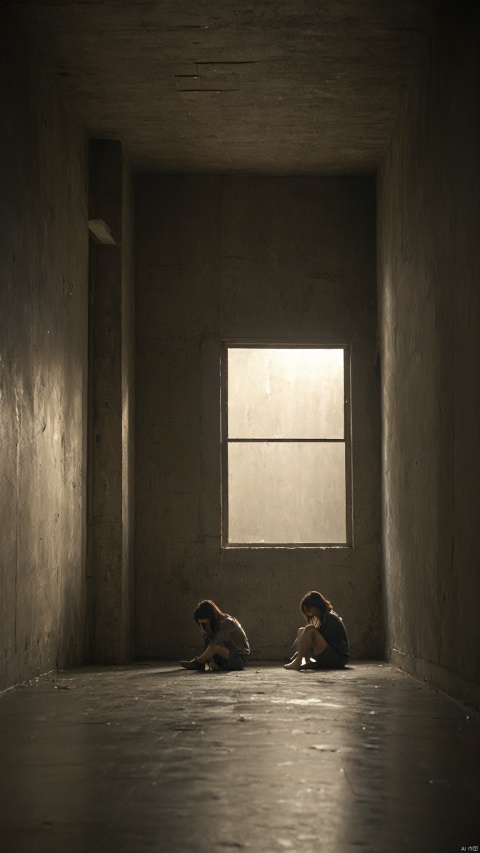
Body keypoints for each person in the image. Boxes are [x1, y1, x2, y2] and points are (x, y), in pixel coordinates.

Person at [284, 590, 349, 670]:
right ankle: (304, 660)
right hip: (329, 654)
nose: (312, 614)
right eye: (309, 612)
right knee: (301, 630)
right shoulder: (324, 618)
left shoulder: (330, 617)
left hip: (338, 658)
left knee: (310, 629)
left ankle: (298, 661)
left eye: (314, 611)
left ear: (320, 606)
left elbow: (324, 639)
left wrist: (302, 650)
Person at [180, 599, 250, 671]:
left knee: (214, 647)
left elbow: (215, 643)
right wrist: (206, 630)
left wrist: (208, 630)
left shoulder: (228, 622)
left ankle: (197, 662)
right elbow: (206, 650)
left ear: (212, 616)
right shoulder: (211, 627)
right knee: (211, 657)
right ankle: (213, 666)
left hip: (239, 658)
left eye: (205, 619)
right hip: (226, 658)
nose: (203, 623)